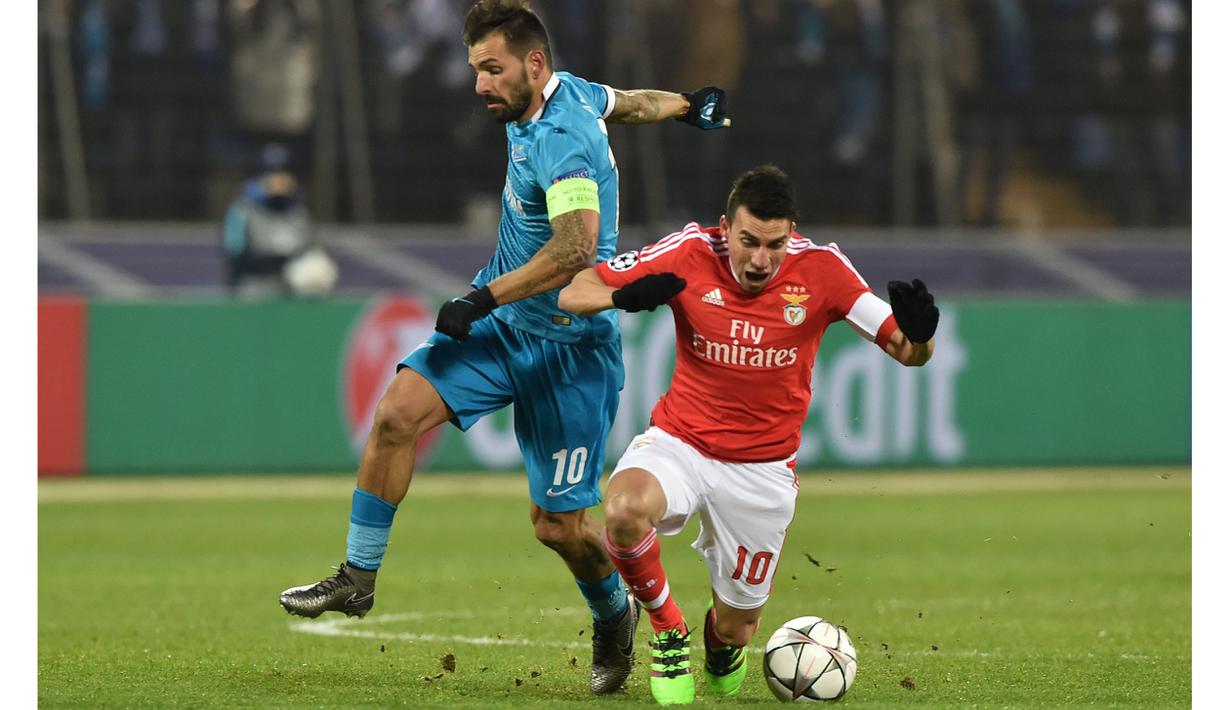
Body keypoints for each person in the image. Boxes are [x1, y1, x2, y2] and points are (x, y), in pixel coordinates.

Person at [278, 0, 731, 696]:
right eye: (476, 69)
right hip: (503, 329)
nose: (480, 84)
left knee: (559, 528)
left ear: (533, 64)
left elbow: (575, 248)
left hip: (570, 348)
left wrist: (481, 298)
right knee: (397, 414)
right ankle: (358, 577)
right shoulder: (571, 90)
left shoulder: (562, 140)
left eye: (492, 69)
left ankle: (614, 615)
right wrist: (687, 105)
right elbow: (630, 103)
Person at [557, 164, 939, 704]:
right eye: (749, 242)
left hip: (763, 470)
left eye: (775, 245)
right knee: (622, 512)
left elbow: (908, 351)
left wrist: (923, 335)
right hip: (681, 443)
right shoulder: (689, 251)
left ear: (791, 235)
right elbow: (575, 291)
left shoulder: (823, 270)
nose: (761, 260)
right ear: (725, 228)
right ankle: (667, 629)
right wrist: (623, 298)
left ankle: (720, 645)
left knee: (738, 628)